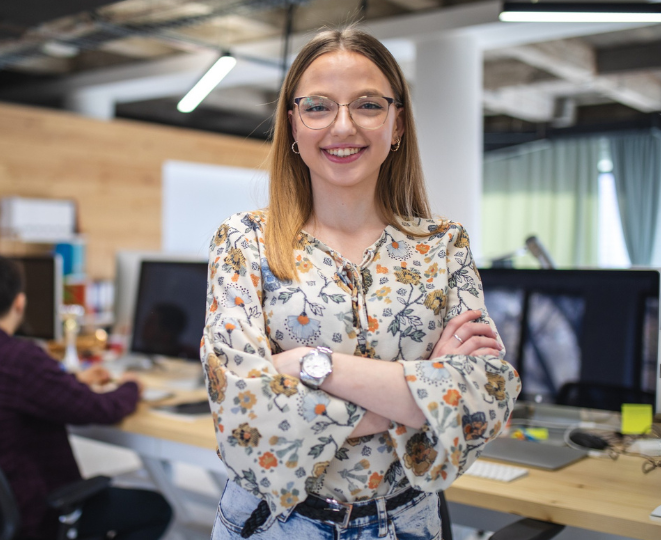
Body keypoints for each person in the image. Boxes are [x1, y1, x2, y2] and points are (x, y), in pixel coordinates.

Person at [201, 26, 521, 539]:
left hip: (409, 523)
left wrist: (313, 366)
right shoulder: (245, 241)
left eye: (368, 105)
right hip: (278, 526)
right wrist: (424, 390)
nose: (343, 126)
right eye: (319, 106)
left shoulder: (442, 245)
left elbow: (485, 399)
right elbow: (244, 424)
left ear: (396, 124)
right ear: (294, 126)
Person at [0, 255, 172, 540]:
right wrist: (131, 386)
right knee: (156, 509)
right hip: (31, 515)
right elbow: (99, 409)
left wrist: (72, 381)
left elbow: (21, 390)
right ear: (19, 303)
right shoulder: (19, 359)